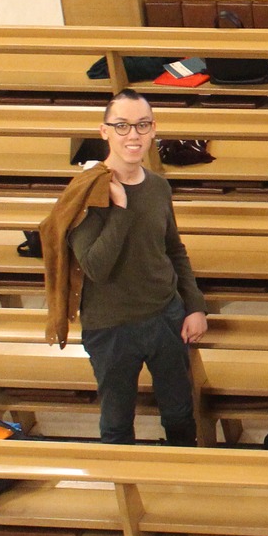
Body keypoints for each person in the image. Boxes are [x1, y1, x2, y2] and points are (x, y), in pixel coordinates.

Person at [68, 90, 208, 446]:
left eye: (142, 125)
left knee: (179, 414)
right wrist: (122, 209)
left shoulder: (159, 187)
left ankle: (184, 485)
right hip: (111, 329)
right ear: (104, 132)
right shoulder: (85, 193)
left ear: (153, 129)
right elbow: (95, 267)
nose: (133, 135)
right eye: (122, 126)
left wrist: (194, 306)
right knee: (116, 423)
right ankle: (126, 497)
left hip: (165, 317)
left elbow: (174, 249)